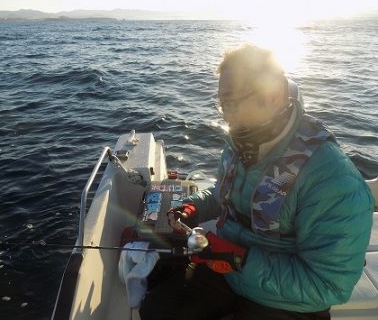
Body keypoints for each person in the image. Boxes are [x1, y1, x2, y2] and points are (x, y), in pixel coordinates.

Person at [139, 44, 375, 320]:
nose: (225, 115)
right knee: (157, 309)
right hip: (230, 275)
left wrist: (238, 259)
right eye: (222, 104)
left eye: (232, 103)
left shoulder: (332, 179)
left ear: (274, 95)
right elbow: (228, 194)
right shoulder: (242, 143)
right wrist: (193, 207)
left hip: (288, 303)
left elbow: (328, 286)